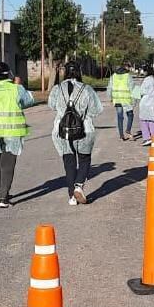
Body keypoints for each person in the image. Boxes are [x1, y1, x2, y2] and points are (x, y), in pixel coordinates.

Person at [0, 62, 35, 208]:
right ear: (8, 74)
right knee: (8, 163)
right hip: (12, 132)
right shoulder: (16, 89)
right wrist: (20, 85)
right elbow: (29, 101)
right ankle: (4, 197)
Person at [48, 61, 103, 206]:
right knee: (84, 159)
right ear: (79, 72)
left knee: (69, 162)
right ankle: (79, 185)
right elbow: (96, 110)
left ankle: (72, 196)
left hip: (62, 131)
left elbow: (52, 105)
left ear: (64, 72)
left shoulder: (57, 88)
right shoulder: (87, 89)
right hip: (85, 129)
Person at [107, 63, 135, 141]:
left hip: (117, 100)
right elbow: (132, 88)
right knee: (130, 115)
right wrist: (134, 101)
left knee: (120, 117)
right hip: (127, 99)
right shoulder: (128, 76)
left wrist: (110, 98)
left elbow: (109, 88)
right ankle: (128, 130)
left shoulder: (113, 76)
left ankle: (121, 135)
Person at [138, 66, 154, 146]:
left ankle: (147, 138)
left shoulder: (147, 79)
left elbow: (142, 91)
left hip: (146, 102)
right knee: (152, 122)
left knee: (143, 120)